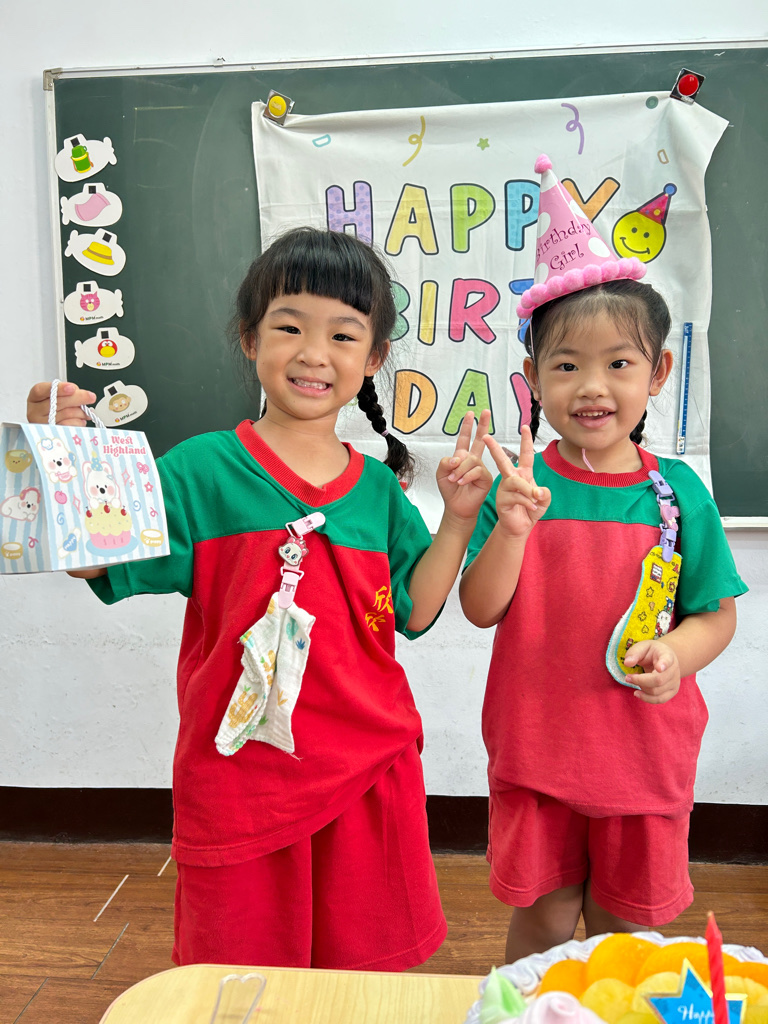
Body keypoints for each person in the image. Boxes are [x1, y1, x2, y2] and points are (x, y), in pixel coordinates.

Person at [27, 227, 494, 971]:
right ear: (250, 339)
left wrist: (461, 521)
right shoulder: (199, 470)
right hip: (238, 782)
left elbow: (415, 610)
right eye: (289, 327)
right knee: (239, 984)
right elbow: (92, 560)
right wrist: (60, 451)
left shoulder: (377, 490)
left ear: (373, 358)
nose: (315, 353)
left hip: (368, 774)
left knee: (359, 987)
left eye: (343, 335)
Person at [459, 156, 747, 964]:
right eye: (566, 365)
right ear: (532, 379)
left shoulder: (678, 492)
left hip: (644, 756)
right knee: (544, 922)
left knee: (627, 931)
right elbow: (480, 608)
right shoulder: (520, 488)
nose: (593, 386)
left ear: (656, 373)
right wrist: (510, 528)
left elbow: (716, 613)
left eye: (619, 363)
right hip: (537, 753)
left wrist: (677, 655)